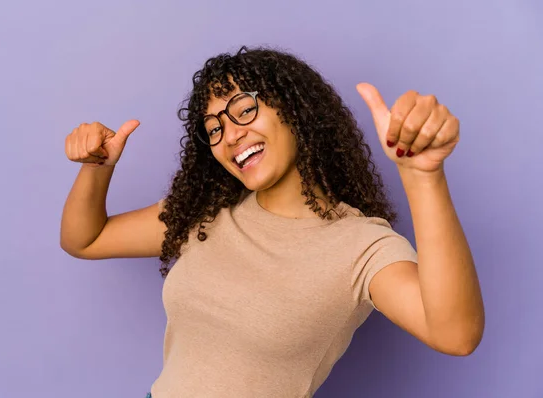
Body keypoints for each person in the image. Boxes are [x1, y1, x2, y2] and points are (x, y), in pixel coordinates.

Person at [60, 46, 485, 398]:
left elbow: (455, 334)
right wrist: (97, 168)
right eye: (213, 128)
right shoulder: (205, 212)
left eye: (244, 109)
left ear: (296, 109)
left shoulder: (361, 245)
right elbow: (85, 239)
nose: (229, 135)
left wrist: (423, 177)